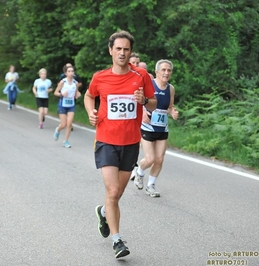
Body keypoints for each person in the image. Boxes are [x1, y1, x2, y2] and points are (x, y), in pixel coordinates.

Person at [84, 30, 157, 259]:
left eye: (126, 49)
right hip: (106, 140)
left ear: (130, 51)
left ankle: (104, 211)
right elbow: (88, 96)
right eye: (118, 49)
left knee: (117, 193)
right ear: (111, 51)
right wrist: (91, 112)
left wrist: (144, 101)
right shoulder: (100, 77)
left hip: (130, 142)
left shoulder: (141, 76)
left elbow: (153, 103)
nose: (122, 53)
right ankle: (117, 241)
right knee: (113, 190)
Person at [133, 59, 179, 197]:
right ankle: (139, 172)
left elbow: (169, 107)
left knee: (159, 159)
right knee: (150, 158)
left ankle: (151, 186)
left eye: (169, 70)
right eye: (163, 70)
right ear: (157, 71)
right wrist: (142, 115)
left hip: (162, 129)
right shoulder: (149, 85)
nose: (166, 73)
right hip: (147, 127)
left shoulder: (171, 89)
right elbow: (138, 102)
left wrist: (173, 112)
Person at [53, 65, 81, 148]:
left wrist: (77, 94)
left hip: (71, 105)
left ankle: (66, 141)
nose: (71, 73)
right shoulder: (63, 82)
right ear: (65, 73)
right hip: (62, 105)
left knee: (69, 124)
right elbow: (55, 92)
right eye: (69, 71)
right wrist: (61, 94)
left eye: (72, 71)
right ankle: (58, 130)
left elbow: (76, 93)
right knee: (64, 124)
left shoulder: (75, 83)